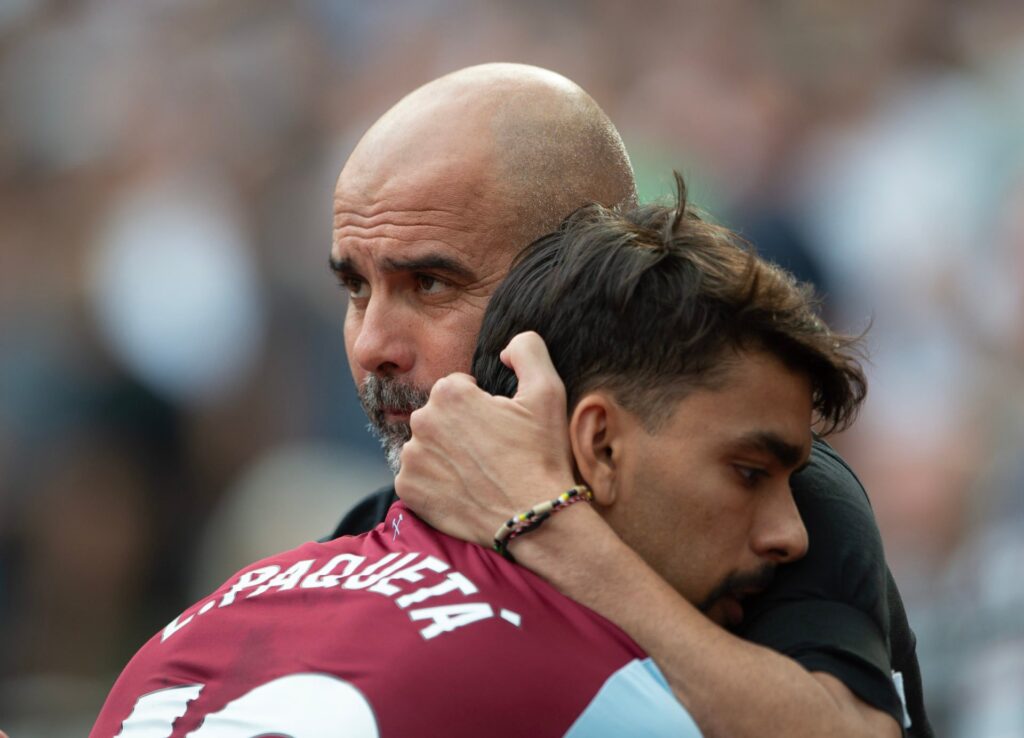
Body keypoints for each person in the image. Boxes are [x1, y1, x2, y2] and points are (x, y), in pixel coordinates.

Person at [93, 181, 866, 736]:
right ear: (596, 444)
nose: (370, 346)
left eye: (429, 283)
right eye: (749, 473)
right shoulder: (609, 693)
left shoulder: (217, 612)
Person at [326, 64, 933, 737]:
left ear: (576, 275)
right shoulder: (369, 536)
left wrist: (543, 524)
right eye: (356, 288)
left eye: (431, 284)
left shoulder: (764, 498)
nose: (371, 344)